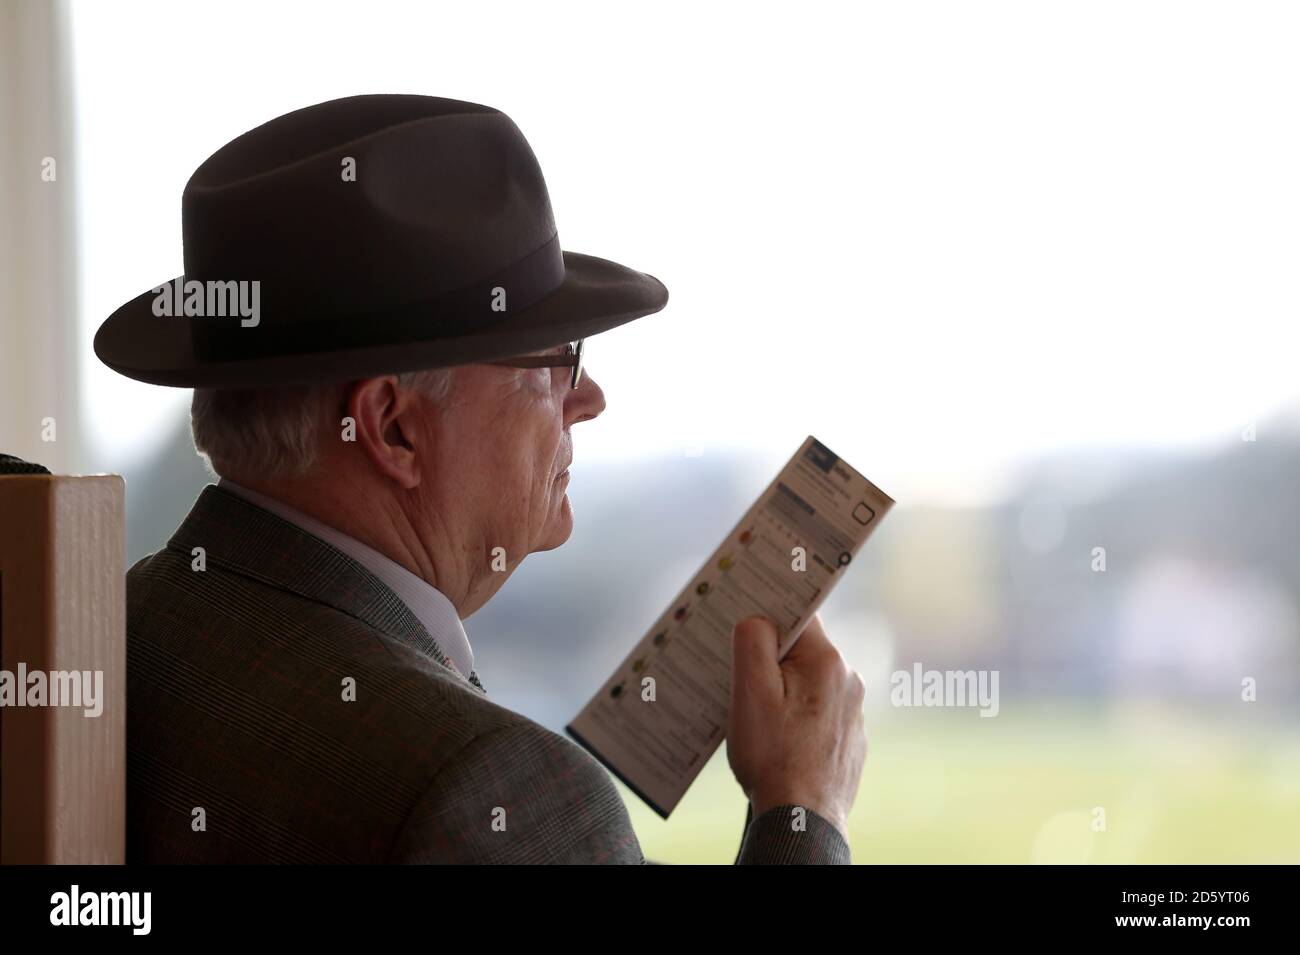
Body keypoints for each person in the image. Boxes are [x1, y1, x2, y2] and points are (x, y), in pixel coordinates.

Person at [95, 94, 867, 863]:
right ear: (394, 426)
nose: (589, 398)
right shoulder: (491, 788)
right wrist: (803, 807)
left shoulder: (106, 643)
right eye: (554, 358)